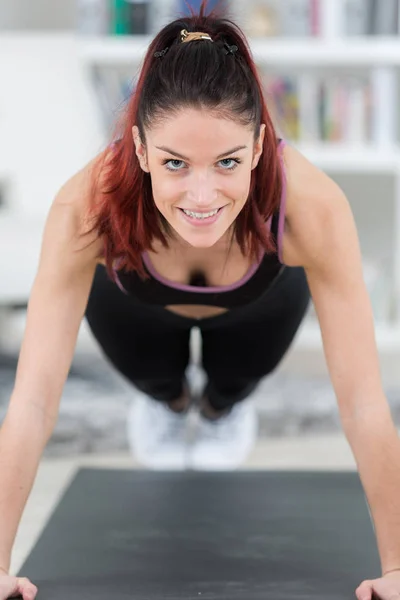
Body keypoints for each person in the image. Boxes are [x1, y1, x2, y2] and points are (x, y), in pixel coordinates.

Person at [0, 2, 399, 599]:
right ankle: (171, 401)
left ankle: (217, 410)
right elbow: (30, 403)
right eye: (175, 164)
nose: (202, 193)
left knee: (227, 392)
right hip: (133, 305)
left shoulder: (314, 208)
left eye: (229, 162)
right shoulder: (84, 206)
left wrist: (397, 570)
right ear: (138, 149)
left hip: (257, 308)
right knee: (161, 387)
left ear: (261, 146)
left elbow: (366, 405)